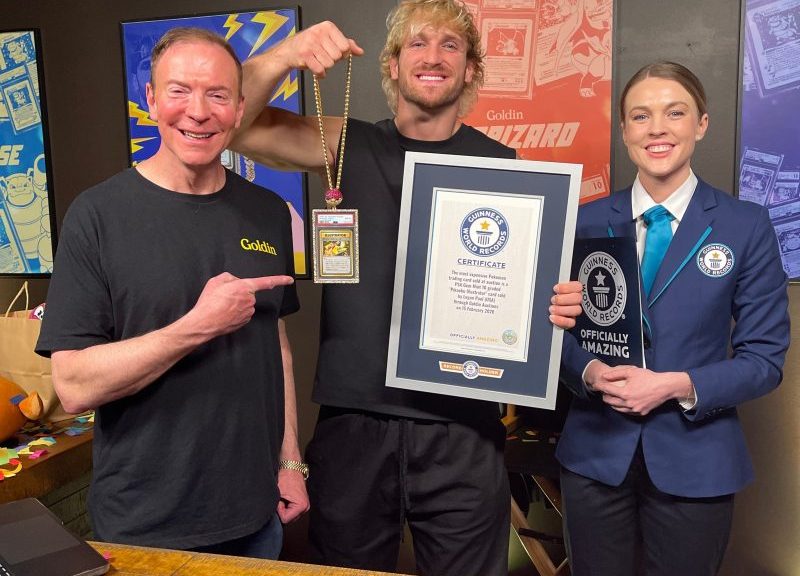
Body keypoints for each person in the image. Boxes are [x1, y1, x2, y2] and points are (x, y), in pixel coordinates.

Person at [230, 1, 583, 574]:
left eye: (450, 45)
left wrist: (553, 303)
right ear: (392, 65)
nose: (433, 56)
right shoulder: (344, 144)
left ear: (470, 69)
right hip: (354, 422)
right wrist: (284, 55)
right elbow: (232, 119)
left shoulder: (504, 166)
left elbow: (518, 296)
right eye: (417, 43)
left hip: (463, 428)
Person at [35, 28, 309, 558]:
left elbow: (274, 345)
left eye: (218, 95)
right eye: (179, 91)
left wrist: (290, 462)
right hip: (145, 529)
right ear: (152, 100)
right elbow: (73, 386)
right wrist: (196, 327)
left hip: (257, 519)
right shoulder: (98, 216)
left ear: (240, 108)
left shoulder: (268, 213)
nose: (198, 112)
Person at [558, 61, 790, 576]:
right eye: (641, 116)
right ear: (624, 131)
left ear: (701, 124)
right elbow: (553, 334)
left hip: (698, 463)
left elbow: (764, 360)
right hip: (595, 458)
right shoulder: (583, 222)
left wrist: (675, 385)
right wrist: (589, 372)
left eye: (675, 112)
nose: (657, 129)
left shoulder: (745, 226)